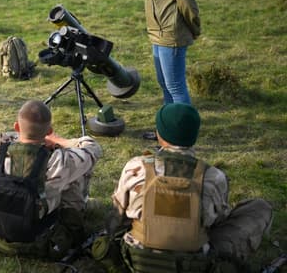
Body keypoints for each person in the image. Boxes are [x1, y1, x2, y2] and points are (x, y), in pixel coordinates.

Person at [104, 103, 273, 272]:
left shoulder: (136, 166)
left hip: (138, 261)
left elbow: (117, 215)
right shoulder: (213, 177)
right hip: (194, 264)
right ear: (194, 136)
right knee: (260, 208)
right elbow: (218, 222)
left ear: (159, 134)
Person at [0, 100, 103, 259]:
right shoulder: (58, 161)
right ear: (49, 131)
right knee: (76, 173)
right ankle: (74, 218)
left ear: (16, 127)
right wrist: (59, 141)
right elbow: (93, 148)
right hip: (37, 238)